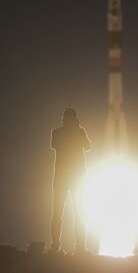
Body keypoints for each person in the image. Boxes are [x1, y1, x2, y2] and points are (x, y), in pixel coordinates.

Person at [50, 108, 91, 254]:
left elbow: (87, 146)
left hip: (68, 177)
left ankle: (60, 245)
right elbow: (87, 146)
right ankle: (75, 246)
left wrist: (77, 131)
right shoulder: (75, 132)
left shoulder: (58, 132)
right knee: (71, 212)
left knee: (62, 212)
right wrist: (77, 130)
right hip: (73, 177)